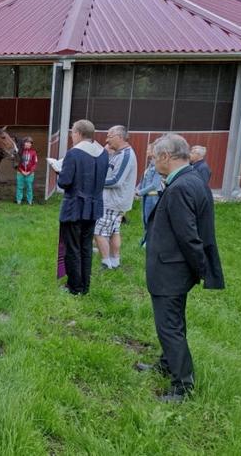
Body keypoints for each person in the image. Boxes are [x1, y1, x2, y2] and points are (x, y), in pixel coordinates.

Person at [136, 133, 224, 402]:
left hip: (171, 270)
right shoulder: (192, 178)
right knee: (173, 322)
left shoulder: (181, 187)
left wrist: (200, 269)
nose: (152, 162)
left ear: (165, 156)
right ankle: (167, 363)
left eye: (153, 158)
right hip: (174, 268)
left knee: (169, 327)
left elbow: (189, 236)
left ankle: (182, 385)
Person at [57, 119, 109, 295]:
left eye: (72, 133)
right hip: (94, 207)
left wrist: (59, 170)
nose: (72, 136)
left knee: (72, 248)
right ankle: (84, 286)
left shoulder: (74, 154)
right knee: (86, 247)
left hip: (74, 207)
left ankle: (74, 287)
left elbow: (65, 182)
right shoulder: (103, 153)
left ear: (78, 133)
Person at [95, 125, 138, 270]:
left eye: (109, 136)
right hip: (115, 201)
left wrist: (94, 181)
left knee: (98, 231)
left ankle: (106, 263)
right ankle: (115, 261)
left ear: (120, 137)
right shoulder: (118, 154)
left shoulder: (126, 155)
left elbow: (116, 181)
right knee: (114, 231)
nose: (107, 140)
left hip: (113, 201)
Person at [136, 143, 163, 246]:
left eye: (148, 149)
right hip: (147, 196)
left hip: (153, 197)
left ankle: (150, 242)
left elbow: (154, 184)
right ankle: (146, 240)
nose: (146, 151)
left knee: (150, 220)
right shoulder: (150, 164)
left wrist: (140, 192)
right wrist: (137, 188)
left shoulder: (157, 165)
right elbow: (144, 180)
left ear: (153, 151)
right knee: (145, 219)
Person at [15, 136, 38, 205]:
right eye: (27, 142)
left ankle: (29, 201)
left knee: (29, 187)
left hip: (30, 174)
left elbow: (35, 163)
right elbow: (16, 163)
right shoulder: (20, 152)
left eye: (30, 143)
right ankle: (19, 200)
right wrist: (22, 171)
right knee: (19, 187)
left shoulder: (33, 152)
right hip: (20, 173)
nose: (28, 144)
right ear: (24, 143)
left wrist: (29, 172)